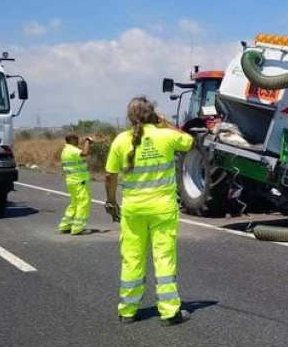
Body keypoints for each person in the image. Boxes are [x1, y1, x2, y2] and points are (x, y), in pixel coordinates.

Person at [105, 97, 193, 325]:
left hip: (133, 211)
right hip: (163, 210)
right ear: (153, 113)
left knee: (132, 259)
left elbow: (110, 176)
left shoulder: (120, 141)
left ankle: (127, 311)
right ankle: (169, 311)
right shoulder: (165, 136)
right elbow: (189, 141)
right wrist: (167, 124)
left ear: (130, 117)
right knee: (164, 259)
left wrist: (111, 202)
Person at [59, 133, 93, 234]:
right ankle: (78, 228)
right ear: (72, 140)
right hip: (79, 181)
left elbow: (82, 153)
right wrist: (87, 141)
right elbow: (85, 153)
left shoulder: (66, 150)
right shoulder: (72, 149)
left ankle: (65, 225)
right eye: (76, 139)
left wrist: (87, 143)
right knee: (83, 203)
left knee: (74, 203)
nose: (78, 141)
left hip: (71, 180)